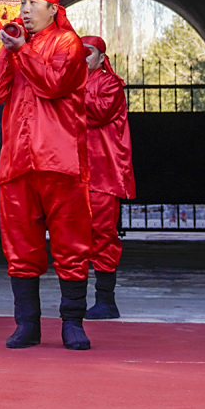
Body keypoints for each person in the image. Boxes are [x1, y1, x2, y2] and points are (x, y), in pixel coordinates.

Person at [0, 0, 94, 351]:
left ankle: (73, 322)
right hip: (17, 161)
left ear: (53, 9)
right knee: (20, 247)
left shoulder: (68, 43)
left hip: (60, 160)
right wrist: (6, 51)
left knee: (71, 244)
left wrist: (23, 52)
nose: (25, 9)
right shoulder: (15, 45)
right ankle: (26, 324)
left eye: (32, 3)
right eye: (23, 3)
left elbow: (54, 84)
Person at [81, 37, 134, 321]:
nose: (81, 59)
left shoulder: (111, 85)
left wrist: (69, 87)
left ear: (101, 58)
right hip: (73, 173)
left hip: (102, 173)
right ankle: (77, 298)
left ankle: (105, 300)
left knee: (102, 234)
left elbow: (96, 113)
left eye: (87, 54)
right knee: (74, 236)